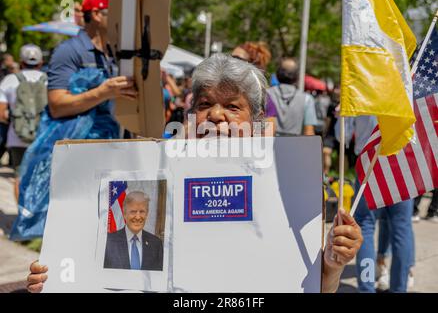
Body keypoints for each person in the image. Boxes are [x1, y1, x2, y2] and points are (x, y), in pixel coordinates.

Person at [27, 54, 362, 293]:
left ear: (257, 122)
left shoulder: (287, 189)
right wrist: (55, 278)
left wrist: (332, 267)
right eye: (204, 105)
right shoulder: (151, 174)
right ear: (189, 117)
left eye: (232, 106)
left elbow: (299, 284)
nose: (216, 115)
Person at [9, 0, 137, 241]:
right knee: (74, 224)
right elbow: (57, 105)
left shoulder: (118, 53)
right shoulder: (69, 51)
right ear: (98, 15)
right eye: (117, 13)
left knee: (107, 224)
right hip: (76, 153)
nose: (124, 20)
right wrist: (102, 92)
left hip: (112, 148)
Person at [335, 116, 415, 293]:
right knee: (402, 227)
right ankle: (399, 289)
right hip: (402, 161)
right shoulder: (407, 88)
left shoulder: (361, 89)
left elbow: (343, 135)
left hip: (369, 162)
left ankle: (366, 287)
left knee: (365, 225)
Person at [0, 44, 47, 201]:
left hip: (18, 137)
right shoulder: (48, 80)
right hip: (44, 137)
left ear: (21, 62)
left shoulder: (10, 80)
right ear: (40, 62)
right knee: (42, 177)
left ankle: (21, 217)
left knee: (20, 176)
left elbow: (1, 114)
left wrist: (18, 122)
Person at [104, 191, 163, 271]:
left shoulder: (156, 244)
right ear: (124, 214)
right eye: (133, 211)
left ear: (147, 214)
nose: (138, 217)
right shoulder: (108, 242)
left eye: (142, 211)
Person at [265, 57, 318, 136]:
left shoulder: (265, 94)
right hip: (295, 145)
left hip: (269, 143)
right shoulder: (307, 99)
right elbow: (309, 132)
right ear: (297, 76)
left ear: (277, 75)